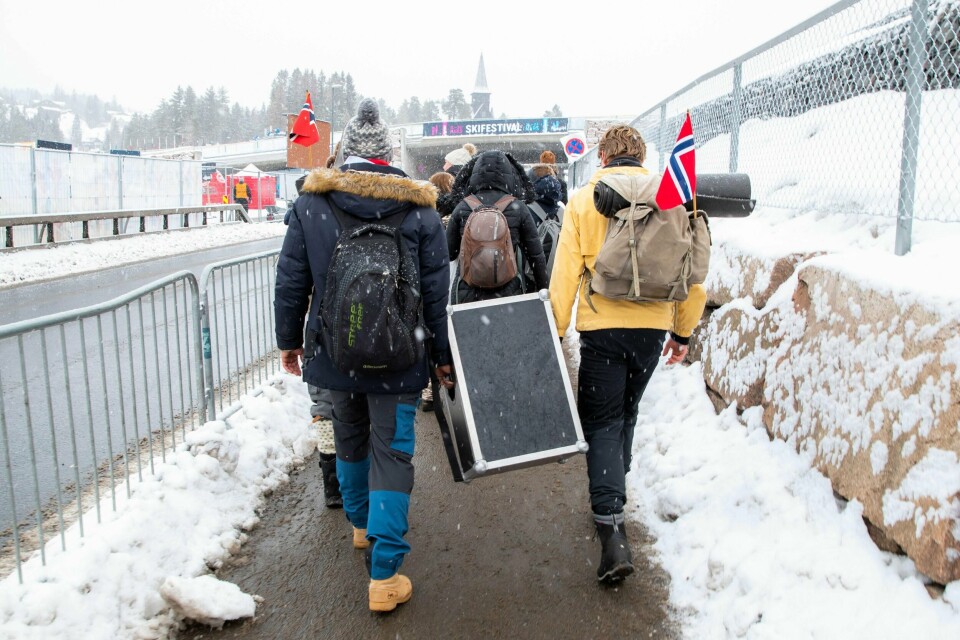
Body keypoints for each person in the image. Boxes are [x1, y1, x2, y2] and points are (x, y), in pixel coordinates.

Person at [275, 98, 452, 613]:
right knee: (392, 453)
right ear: (389, 154)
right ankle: (385, 574)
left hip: (335, 352)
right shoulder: (420, 210)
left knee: (349, 441)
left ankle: (359, 526)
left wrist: (290, 340)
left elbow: (292, 280)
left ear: (347, 151)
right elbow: (436, 296)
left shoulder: (311, 204)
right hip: (400, 356)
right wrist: (440, 356)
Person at [548, 124, 706, 584]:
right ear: (641, 156)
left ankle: (611, 527)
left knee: (601, 420)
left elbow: (564, 273)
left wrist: (555, 332)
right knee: (627, 411)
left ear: (602, 158)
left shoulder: (583, 199)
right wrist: (683, 332)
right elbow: (691, 271)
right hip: (652, 329)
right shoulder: (671, 195)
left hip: (602, 329)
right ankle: (615, 483)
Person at [283, 173, 342, 509]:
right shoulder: (351, 209)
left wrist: (289, 339)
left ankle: (333, 484)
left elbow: (291, 282)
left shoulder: (304, 215)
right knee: (354, 408)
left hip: (319, 326)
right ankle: (359, 485)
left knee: (323, 405)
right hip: (357, 326)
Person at [446, 150, 549, 304]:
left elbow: (450, 253)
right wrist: (543, 289)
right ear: (509, 174)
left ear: (474, 174)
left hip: (467, 292)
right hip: (508, 291)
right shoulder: (518, 207)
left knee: (469, 328)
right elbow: (536, 257)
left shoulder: (463, 207)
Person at [437, 143, 475, 216]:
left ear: (454, 164)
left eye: (446, 163)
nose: (443, 166)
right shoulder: (469, 180)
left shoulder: (448, 182)